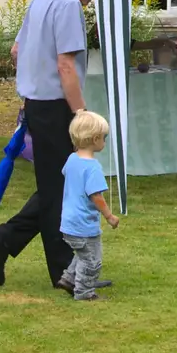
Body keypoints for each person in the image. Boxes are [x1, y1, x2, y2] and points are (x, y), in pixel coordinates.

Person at [0, 0, 115, 289]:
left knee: (58, 186)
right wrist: (81, 112)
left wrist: (31, 78)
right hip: (57, 107)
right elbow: (66, 65)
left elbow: (16, 50)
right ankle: (63, 272)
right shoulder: (67, 5)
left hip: (37, 103)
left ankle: (6, 240)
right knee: (62, 190)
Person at [58, 110, 119, 301]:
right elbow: (96, 196)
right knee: (92, 260)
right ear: (95, 139)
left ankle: (69, 279)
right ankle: (84, 292)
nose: (105, 141)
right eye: (104, 137)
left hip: (68, 222)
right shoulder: (92, 167)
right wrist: (109, 216)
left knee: (82, 253)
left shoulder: (72, 159)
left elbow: (66, 175)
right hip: (84, 224)